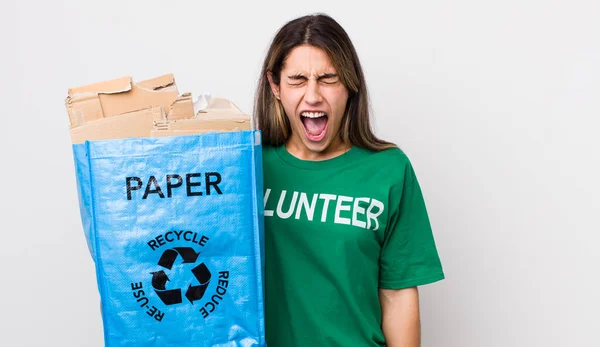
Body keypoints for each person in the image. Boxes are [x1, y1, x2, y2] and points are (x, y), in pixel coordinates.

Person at [254, 13, 445, 347]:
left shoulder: (388, 170)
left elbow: (397, 296)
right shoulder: (249, 167)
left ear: (350, 84)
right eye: (298, 79)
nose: (313, 95)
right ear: (276, 87)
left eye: (328, 78)